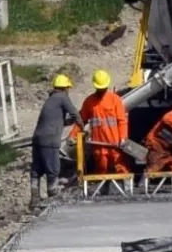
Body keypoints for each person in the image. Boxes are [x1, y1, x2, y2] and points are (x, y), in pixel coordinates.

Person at [30, 74, 82, 205]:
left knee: (37, 168)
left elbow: (52, 120)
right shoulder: (62, 97)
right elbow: (75, 113)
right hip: (49, 140)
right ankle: (52, 194)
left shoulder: (51, 99)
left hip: (37, 138)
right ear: (65, 88)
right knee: (53, 167)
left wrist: (65, 122)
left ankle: (34, 197)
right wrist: (82, 126)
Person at [72, 69, 130, 174]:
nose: (102, 89)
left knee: (120, 168)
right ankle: (101, 189)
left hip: (114, 144)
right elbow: (81, 121)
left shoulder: (115, 99)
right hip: (99, 145)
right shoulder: (89, 102)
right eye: (100, 87)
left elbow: (122, 120)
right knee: (101, 169)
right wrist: (72, 135)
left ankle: (125, 189)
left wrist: (123, 138)